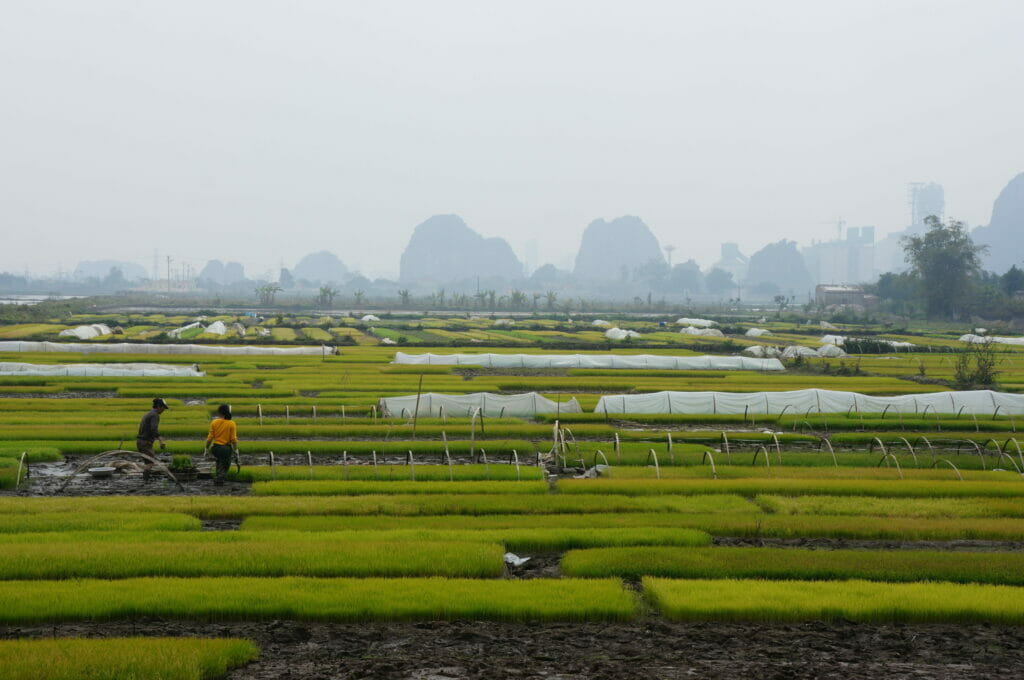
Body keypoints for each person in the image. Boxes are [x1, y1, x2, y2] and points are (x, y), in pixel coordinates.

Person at [205, 403, 238, 485]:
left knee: (219, 462)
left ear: (219, 413)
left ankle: (218, 478)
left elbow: (210, 438)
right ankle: (219, 479)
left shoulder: (214, 422)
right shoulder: (231, 423)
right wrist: (236, 450)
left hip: (215, 448)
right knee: (226, 464)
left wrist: (206, 448)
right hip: (225, 449)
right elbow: (233, 439)